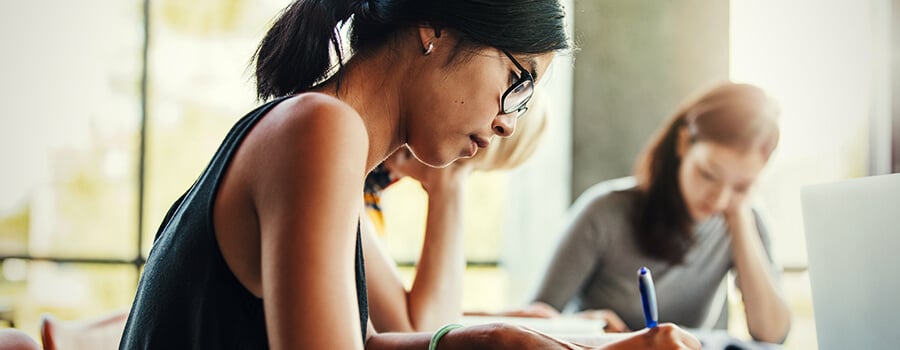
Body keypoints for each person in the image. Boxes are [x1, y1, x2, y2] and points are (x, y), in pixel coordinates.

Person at [119, 0, 701, 349]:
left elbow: (359, 344)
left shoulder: (313, 131)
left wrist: (507, 339)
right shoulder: (319, 129)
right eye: (517, 83)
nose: (507, 124)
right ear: (435, 28)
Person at [530, 82, 792, 343]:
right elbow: (530, 323)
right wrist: (580, 328)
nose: (720, 198)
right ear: (683, 144)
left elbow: (772, 334)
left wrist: (739, 219)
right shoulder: (605, 212)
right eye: (709, 175)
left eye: (741, 186)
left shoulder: (744, 219)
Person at [363, 93, 559, 333]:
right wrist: (448, 184)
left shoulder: (371, 184)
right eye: (469, 167)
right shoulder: (353, 179)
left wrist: (491, 317)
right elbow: (425, 333)